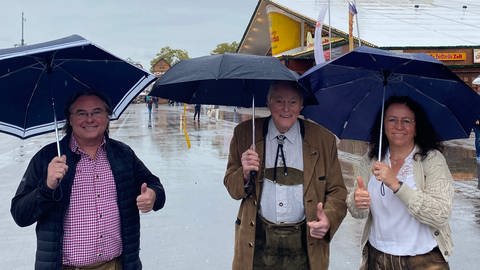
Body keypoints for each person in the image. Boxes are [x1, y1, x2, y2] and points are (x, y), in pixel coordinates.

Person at [10, 90, 166, 270]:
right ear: (69, 119)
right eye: (81, 113)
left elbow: (154, 185)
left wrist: (153, 196)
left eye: (97, 111)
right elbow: (20, 215)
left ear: (107, 116)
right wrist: (47, 187)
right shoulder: (47, 158)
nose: (90, 119)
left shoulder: (123, 154)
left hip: (115, 265)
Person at [224, 80, 347, 270]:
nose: (286, 109)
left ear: (302, 105)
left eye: (293, 102)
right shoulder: (245, 134)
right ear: (268, 102)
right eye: (279, 101)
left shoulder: (324, 140)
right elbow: (232, 188)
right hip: (256, 244)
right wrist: (244, 174)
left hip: (305, 246)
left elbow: (337, 191)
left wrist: (329, 218)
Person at [347, 96, 453, 270]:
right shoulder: (370, 160)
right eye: (392, 120)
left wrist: (396, 185)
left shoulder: (432, 160)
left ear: (416, 127)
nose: (398, 126)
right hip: (377, 259)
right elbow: (357, 212)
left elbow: (440, 213)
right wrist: (357, 202)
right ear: (383, 125)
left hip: (424, 261)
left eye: (406, 121)